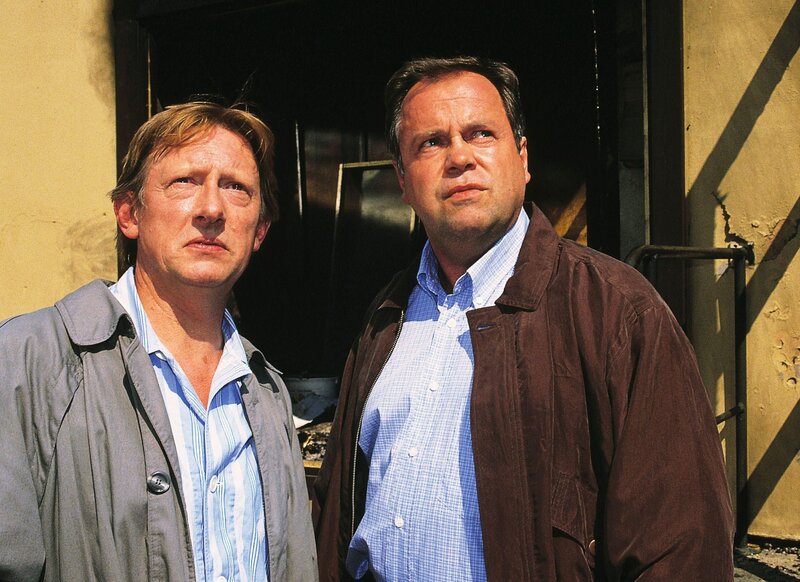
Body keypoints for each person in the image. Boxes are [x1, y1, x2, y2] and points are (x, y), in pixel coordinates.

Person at [313, 57, 734, 581]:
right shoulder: (385, 317)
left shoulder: (618, 312)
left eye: (480, 133)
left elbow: (680, 550)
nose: (459, 157)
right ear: (402, 179)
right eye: (431, 143)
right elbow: (336, 517)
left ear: (522, 157)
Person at [0, 102, 317, 581]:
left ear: (260, 231)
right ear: (129, 213)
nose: (212, 209)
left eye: (236, 187)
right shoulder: (29, 360)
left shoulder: (266, 391)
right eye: (185, 181)